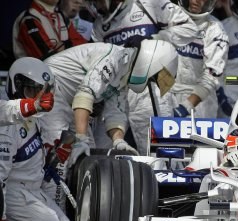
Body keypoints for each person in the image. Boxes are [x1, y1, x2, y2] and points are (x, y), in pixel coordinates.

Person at [37, 39, 178, 211]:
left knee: (87, 158)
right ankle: (51, 212)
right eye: (153, 76)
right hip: (50, 90)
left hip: (70, 100)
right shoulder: (113, 58)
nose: (151, 81)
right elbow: (86, 93)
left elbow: (115, 113)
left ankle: (71, 214)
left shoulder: (124, 71)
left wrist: (119, 141)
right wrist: (80, 137)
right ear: (151, 62)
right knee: (62, 155)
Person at [85, 0, 198, 154]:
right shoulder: (99, 25)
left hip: (150, 89)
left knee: (158, 154)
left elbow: (190, 29)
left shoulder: (150, 4)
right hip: (115, 93)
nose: (95, 6)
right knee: (102, 152)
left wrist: (153, 39)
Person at [0, 57, 74, 221]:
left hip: (33, 191)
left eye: (42, 91)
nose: (39, 98)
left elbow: (29, 155)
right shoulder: (7, 127)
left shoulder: (33, 119)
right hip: (15, 194)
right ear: (17, 86)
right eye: (32, 91)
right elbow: (1, 179)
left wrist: (53, 154)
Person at [169, 0, 229, 119]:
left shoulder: (215, 29)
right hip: (168, 95)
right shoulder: (169, 19)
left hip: (200, 103)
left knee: (196, 138)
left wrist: (186, 106)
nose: (195, 1)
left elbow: (212, 75)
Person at [12, 0, 88, 60]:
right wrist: (70, 48)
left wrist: (67, 45)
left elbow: (85, 46)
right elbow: (45, 57)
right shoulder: (29, 19)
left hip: (63, 75)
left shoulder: (61, 17)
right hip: (35, 77)